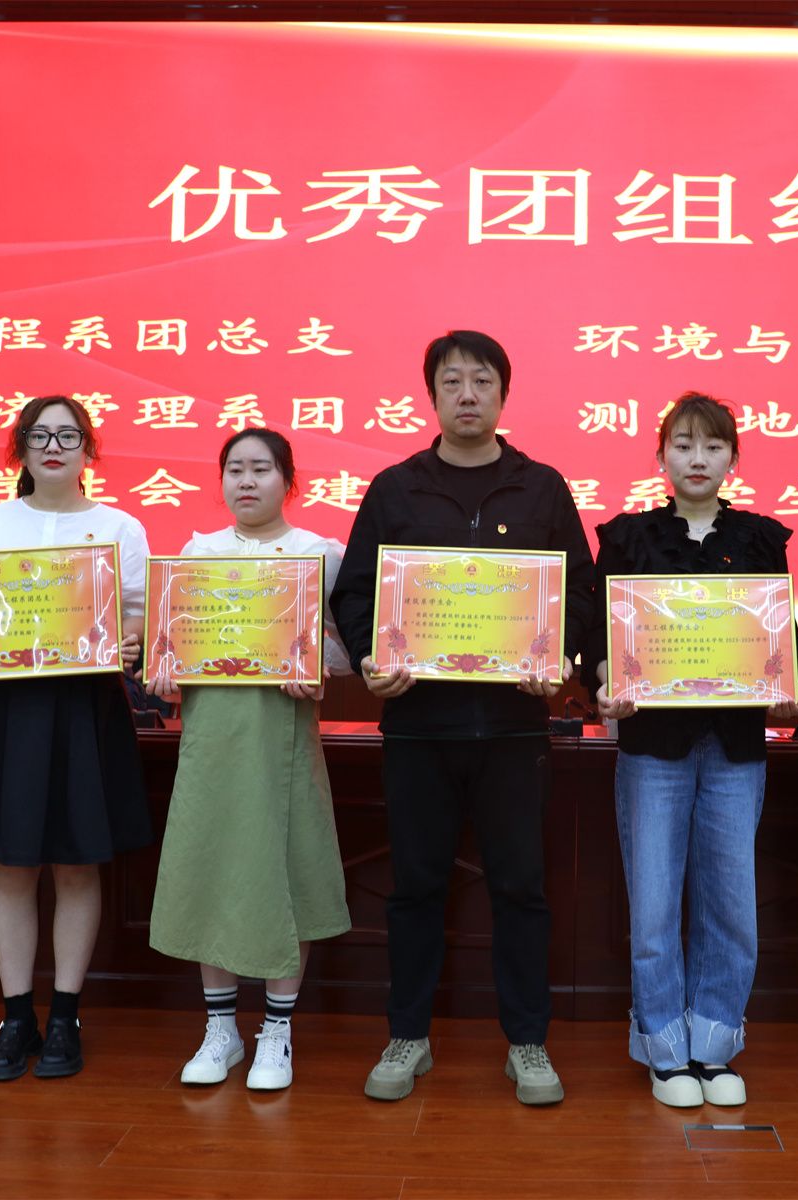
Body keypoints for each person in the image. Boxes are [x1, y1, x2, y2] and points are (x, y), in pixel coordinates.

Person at [331, 330, 597, 1106]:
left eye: (482, 381)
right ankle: (408, 1036)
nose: (468, 394)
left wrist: (562, 655)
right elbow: (356, 592)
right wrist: (372, 657)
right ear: (433, 395)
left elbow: (581, 591)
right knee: (415, 889)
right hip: (419, 727)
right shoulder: (396, 488)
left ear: (503, 395)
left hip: (514, 730)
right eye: (453, 382)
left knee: (521, 889)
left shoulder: (540, 487)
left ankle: (528, 1044)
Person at [587, 392, 798, 1109]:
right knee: (654, 906)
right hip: (653, 745)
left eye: (712, 446)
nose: (697, 458)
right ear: (661, 456)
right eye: (683, 445)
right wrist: (607, 683)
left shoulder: (760, 539)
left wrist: (787, 688)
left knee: (731, 904)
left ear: (733, 458)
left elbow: (778, 640)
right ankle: (663, 1048)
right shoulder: (628, 537)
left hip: (736, 745)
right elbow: (599, 635)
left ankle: (714, 1046)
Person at [0, 395, 153, 1082]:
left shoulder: (120, 527)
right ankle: (15, 1017)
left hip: (86, 708)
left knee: (78, 866)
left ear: (89, 449)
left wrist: (129, 641)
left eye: (68, 435)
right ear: (20, 448)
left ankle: (65, 1016)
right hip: (5, 710)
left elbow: (139, 619)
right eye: (39, 434)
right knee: (10, 866)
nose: (53, 445)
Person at [146, 429, 352, 1090]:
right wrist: (163, 670)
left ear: (288, 480)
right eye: (234, 469)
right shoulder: (197, 553)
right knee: (212, 866)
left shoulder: (322, 553)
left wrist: (317, 666)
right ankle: (221, 1030)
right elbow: (172, 645)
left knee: (289, 870)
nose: (246, 481)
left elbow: (352, 648)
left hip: (283, 738)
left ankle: (277, 1032)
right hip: (211, 739)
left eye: (261, 469)